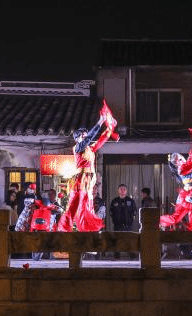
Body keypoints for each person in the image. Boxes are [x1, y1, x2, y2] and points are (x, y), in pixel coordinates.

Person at [55, 102, 119, 232]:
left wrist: (109, 130)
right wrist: (100, 122)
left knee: (86, 204)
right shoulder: (77, 147)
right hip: (81, 179)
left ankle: (86, 229)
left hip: (89, 178)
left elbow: (99, 141)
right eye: (83, 135)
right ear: (78, 138)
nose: (85, 136)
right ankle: (69, 229)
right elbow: (90, 137)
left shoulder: (89, 148)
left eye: (85, 134)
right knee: (77, 204)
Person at [159, 127, 192, 258]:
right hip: (190, 196)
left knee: (187, 219)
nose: (179, 158)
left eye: (178, 156)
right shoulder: (182, 168)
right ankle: (157, 221)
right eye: (175, 159)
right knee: (188, 219)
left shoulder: (185, 164)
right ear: (175, 165)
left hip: (191, 194)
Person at [109, 184, 137, 259]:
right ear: (118, 191)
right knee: (117, 240)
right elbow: (111, 212)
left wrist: (130, 220)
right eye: (121, 189)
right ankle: (117, 256)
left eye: (124, 189)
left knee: (129, 240)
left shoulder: (130, 201)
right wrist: (115, 220)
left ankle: (132, 256)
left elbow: (134, 212)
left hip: (128, 225)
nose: (122, 191)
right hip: (118, 225)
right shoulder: (114, 201)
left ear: (126, 191)